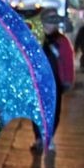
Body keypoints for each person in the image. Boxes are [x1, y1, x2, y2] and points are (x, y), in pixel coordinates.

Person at [32, 11, 73, 151]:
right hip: (38, 81)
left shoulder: (62, 41)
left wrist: (68, 80)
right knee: (37, 111)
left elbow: (68, 62)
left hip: (56, 81)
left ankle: (49, 137)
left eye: (54, 22)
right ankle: (38, 138)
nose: (50, 25)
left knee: (54, 112)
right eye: (48, 21)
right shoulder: (35, 38)